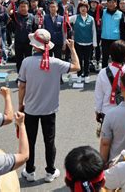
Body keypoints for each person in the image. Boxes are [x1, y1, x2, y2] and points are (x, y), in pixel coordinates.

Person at [18, 29, 80, 183]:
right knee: (49, 141)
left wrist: (21, 104)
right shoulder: (55, 62)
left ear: (34, 46)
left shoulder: (26, 62)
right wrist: (72, 48)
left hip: (31, 108)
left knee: (30, 140)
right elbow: (77, 66)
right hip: (50, 109)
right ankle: (50, 171)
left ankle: (30, 170)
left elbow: (22, 86)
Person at [69, 1, 97, 83]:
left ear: (87, 8)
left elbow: (94, 31)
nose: (83, 9)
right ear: (79, 9)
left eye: (85, 7)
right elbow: (66, 19)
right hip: (78, 42)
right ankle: (79, 74)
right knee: (79, 60)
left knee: (87, 60)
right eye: (81, 7)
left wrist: (94, 43)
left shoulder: (91, 18)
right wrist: (66, 10)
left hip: (88, 43)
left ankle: (86, 74)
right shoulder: (75, 17)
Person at [9, 0, 36, 72]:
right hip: (18, 43)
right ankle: (20, 77)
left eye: (24, 6)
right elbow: (8, 12)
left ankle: (28, 76)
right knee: (19, 61)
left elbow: (34, 30)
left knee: (28, 61)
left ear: (28, 7)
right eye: (21, 7)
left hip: (28, 43)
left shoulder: (32, 17)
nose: (23, 8)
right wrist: (12, 3)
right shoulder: (16, 15)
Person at [100, 0, 125, 68]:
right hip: (105, 38)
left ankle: (116, 73)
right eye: (109, 2)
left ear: (116, 4)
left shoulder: (120, 14)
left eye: (113, 2)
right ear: (107, 3)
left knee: (116, 57)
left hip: (116, 39)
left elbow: (123, 27)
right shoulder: (103, 12)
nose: (111, 4)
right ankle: (104, 73)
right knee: (105, 57)